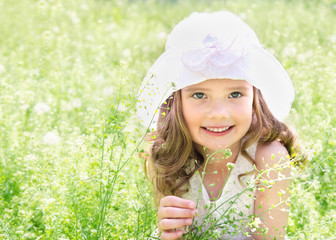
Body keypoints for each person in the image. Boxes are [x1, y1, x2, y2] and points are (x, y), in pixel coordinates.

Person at [137, 11, 304, 240]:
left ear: (255, 100)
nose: (218, 113)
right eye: (199, 95)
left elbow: (269, 237)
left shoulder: (268, 157)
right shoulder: (171, 157)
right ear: (176, 103)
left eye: (235, 94)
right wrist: (168, 232)